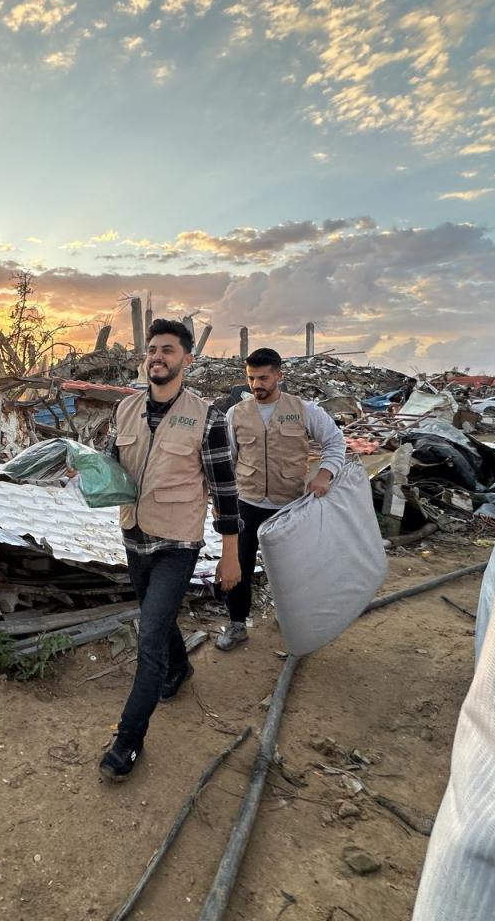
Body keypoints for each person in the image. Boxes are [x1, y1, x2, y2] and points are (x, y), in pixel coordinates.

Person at [98, 319, 242, 781]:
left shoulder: (207, 417)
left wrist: (231, 553)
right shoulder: (125, 409)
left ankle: (128, 741)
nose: (157, 357)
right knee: (156, 618)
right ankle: (179, 669)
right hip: (134, 536)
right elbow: (111, 466)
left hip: (177, 544)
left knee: (149, 636)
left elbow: (225, 490)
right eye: (152, 350)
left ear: (187, 359)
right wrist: (86, 470)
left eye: (168, 350)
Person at [217, 347, 346, 651]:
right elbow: (228, 459)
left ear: (279, 375)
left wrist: (324, 475)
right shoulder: (236, 414)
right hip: (246, 504)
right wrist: (223, 501)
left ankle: (291, 620)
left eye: (263, 378)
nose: (256, 385)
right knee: (239, 565)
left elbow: (335, 443)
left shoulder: (304, 410)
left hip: (289, 506)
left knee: (291, 570)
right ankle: (237, 624)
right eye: (251, 378)